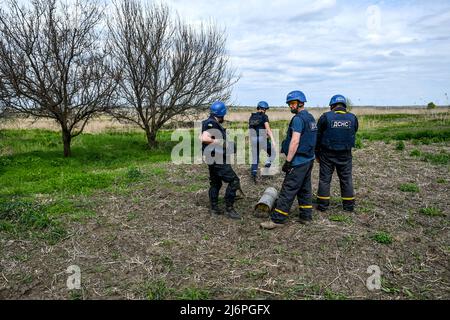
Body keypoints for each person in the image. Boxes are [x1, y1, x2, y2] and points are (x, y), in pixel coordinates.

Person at [260, 91, 317, 229]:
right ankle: (306, 216)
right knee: (304, 189)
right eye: (289, 104)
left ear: (301, 103)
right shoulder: (310, 118)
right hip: (309, 160)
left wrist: (288, 161)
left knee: (288, 189)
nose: (290, 106)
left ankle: (277, 220)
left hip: (298, 161)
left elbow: (295, 141)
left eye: (292, 104)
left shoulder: (298, 119)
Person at [315, 95, 359, 212]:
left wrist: (317, 153)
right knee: (346, 179)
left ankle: (322, 205)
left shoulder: (325, 117)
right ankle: (348, 206)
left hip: (327, 154)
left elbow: (318, 136)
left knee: (325, 179)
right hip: (345, 154)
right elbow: (354, 130)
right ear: (344, 105)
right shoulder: (352, 118)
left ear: (332, 106)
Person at [201, 101, 241, 219]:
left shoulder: (208, 122)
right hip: (217, 159)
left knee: (216, 183)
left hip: (212, 158)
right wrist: (220, 142)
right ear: (222, 114)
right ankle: (229, 209)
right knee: (234, 181)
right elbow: (204, 138)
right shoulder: (211, 123)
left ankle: (214, 209)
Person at [249, 101, 276, 183]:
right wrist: (273, 140)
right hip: (262, 139)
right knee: (272, 153)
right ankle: (267, 168)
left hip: (253, 139)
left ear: (258, 108)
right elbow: (268, 129)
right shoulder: (264, 116)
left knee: (255, 158)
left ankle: (253, 174)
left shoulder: (252, 117)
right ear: (264, 109)